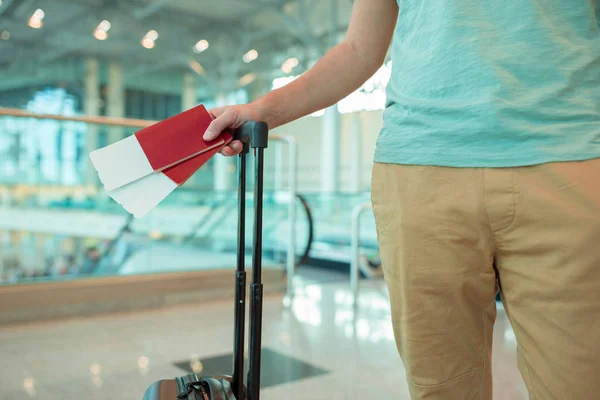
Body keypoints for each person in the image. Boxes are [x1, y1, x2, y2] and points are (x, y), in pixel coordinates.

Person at [203, 1, 600, 398]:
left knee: (580, 383)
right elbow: (359, 50)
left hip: (570, 161)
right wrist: (258, 112)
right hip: (419, 172)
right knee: (441, 388)